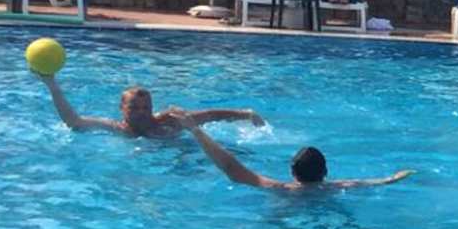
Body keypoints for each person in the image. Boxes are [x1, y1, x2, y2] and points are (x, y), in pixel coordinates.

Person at [188, 125, 410, 192]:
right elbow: (382, 181)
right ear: (325, 172)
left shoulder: (280, 189)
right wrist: (399, 175)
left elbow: (230, 167)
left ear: (292, 172)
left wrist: (195, 130)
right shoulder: (337, 187)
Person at [43, 76, 265, 139]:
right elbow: (73, 121)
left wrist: (245, 114)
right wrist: (52, 84)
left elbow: (210, 115)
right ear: (121, 108)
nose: (141, 113)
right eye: (134, 108)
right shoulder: (116, 129)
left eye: (145, 107)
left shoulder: (168, 121)